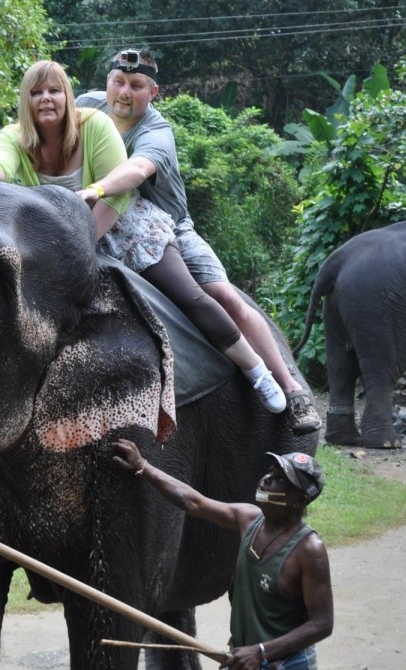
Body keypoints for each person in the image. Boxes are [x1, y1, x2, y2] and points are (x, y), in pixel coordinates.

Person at [0, 60, 289, 414]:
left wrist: (90, 211)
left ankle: (258, 370)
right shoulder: (15, 136)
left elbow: (124, 184)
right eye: (36, 92)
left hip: (123, 225)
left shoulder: (100, 124)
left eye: (54, 90)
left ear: (68, 96)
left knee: (192, 294)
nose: (46, 99)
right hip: (63, 240)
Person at [78, 49, 323, 434]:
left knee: (223, 296)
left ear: (153, 92)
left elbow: (137, 169)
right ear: (106, 83)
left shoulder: (156, 131)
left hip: (166, 227)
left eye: (136, 85)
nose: (124, 93)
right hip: (99, 224)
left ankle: (292, 391)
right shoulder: (86, 106)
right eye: (118, 82)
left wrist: (92, 191)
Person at [110, 439, 333, 670]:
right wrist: (143, 467)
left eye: (279, 479)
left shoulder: (309, 550)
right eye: (270, 472)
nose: (266, 480)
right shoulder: (249, 519)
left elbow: (322, 623)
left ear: (297, 500)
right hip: (242, 662)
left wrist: (261, 651)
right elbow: (193, 501)